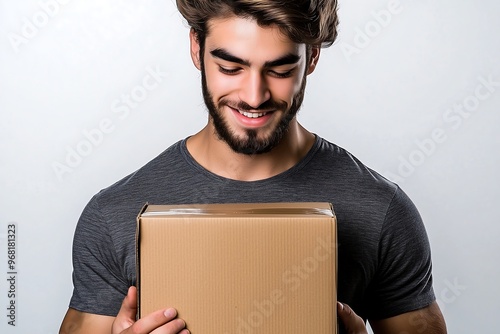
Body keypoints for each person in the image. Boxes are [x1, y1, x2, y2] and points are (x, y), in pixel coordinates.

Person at [59, 1, 447, 333]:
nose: (253, 95)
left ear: (311, 57)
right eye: (231, 67)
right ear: (197, 47)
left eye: (279, 70)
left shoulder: (381, 211)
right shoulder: (113, 215)